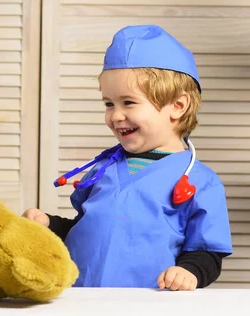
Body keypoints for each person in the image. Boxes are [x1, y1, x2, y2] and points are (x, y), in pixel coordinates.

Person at [23, 25, 232, 290]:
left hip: (147, 302)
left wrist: (188, 271)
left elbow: (207, 253)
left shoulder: (201, 182)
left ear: (178, 106)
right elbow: (85, 230)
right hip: (80, 300)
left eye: (128, 103)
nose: (115, 115)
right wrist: (49, 225)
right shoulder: (103, 170)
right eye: (109, 103)